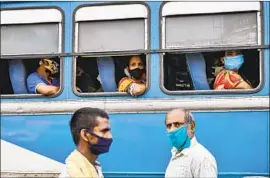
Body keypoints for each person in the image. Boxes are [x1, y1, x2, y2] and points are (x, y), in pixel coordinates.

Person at [59, 107, 113, 178]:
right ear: (85, 135)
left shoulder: (95, 166)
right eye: (104, 131)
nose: (110, 136)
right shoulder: (71, 173)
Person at [165, 108, 217, 178]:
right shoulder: (175, 153)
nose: (172, 130)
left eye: (177, 124)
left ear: (192, 126)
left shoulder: (203, 158)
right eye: (169, 126)